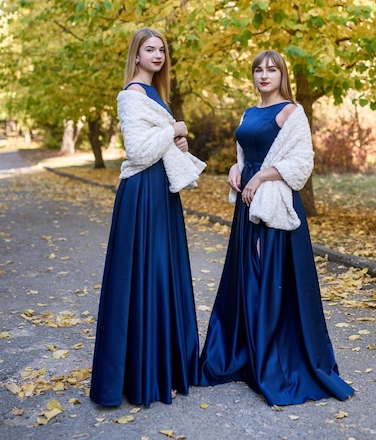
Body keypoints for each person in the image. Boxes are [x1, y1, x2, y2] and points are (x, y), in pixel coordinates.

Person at [199, 50, 354, 406]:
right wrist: (235, 170)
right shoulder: (250, 112)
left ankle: (273, 357)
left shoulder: (292, 112)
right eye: (258, 70)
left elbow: (301, 163)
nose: (264, 75)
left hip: (275, 204)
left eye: (271, 69)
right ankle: (245, 352)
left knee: (269, 278)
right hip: (247, 202)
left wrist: (262, 176)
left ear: (282, 75)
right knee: (246, 278)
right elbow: (244, 153)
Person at [90, 27, 206, 407]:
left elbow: (159, 144)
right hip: (142, 194)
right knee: (146, 276)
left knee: (162, 276)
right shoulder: (132, 94)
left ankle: (164, 368)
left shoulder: (157, 94)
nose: (157, 55)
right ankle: (144, 375)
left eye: (162, 49)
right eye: (149, 49)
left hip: (161, 193)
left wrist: (178, 141)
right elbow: (138, 151)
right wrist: (173, 129)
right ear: (136, 55)